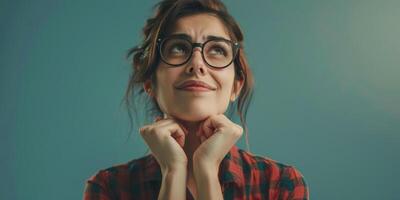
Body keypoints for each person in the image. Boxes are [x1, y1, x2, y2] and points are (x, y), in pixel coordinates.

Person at [83, 0, 309, 199]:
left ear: (235, 86)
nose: (197, 64)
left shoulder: (279, 185)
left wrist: (207, 170)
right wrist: (173, 172)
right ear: (150, 83)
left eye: (217, 50)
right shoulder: (109, 188)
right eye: (179, 48)